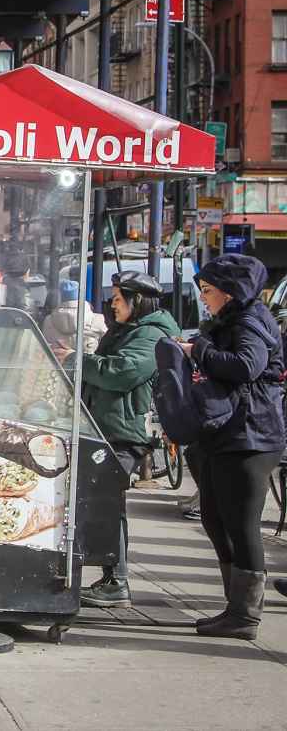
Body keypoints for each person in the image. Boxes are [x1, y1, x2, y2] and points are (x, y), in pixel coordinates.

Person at [182, 254, 286, 639]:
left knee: (241, 526)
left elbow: (247, 366)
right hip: (227, 434)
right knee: (214, 517)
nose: (204, 298)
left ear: (230, 292)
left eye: (208, 291)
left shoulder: (249, 321)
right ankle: (234, 607)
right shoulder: (230, 320)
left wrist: (198, 352)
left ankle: (245, 616)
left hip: (250, 436)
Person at [77, 272, 179, 609]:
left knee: (108, 502)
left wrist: (79, 361)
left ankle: (117, 581)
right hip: (109, 427)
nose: (113, 305)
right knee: (106, 502)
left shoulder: (151, 335)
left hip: (124, 432)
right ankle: (111, 577)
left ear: (137, 301)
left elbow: (121, 373)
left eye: (119, 299)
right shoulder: (130, 330)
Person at [42, 279, 107, 362]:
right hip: (88, 371)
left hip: (57, 373)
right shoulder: (98, 319)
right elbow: (108, 347)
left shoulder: (48, 321)